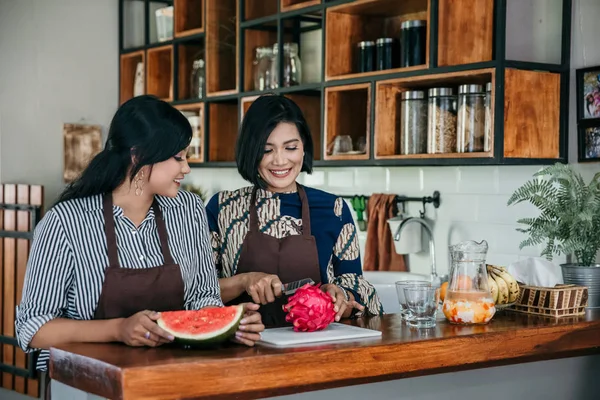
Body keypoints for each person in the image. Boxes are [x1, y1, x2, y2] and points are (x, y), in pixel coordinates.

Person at [15, 95, 264, 379]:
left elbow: (202, 297)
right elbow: (33, 328)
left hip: (174, 381)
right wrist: (118, 329)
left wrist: (228, 324)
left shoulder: (189, 210)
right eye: (178, 157)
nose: (186, 168)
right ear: (139, 155)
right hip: (89, 387)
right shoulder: (65, 222)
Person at [206, 94, 383, 328]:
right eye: (266, 150)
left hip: (315, 350)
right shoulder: (222, 208)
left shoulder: (334, 209)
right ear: (250, 151)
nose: (280, 160)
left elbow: (355, 286)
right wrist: (243, 281)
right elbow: (200, 291)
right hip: (243, 348)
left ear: (303, 148)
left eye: (290, 147)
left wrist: (341, 293)